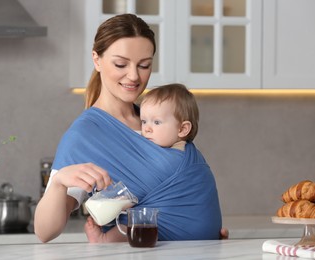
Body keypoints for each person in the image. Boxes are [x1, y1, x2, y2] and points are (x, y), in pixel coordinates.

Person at [34, 13, 227, 244]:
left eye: (144, 65)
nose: (134, 76)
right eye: (121, 64)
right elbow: (45, 231)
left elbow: (184, 191)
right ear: (97, 60)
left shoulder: (157, 119)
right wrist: (58, 183)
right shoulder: (85, 136)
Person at [84, 83, 209, 242]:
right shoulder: (192, 154)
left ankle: (103, 240)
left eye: (156, 122)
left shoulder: (167, 161)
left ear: (183, 129)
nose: (147, 129)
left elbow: (126, 195)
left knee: (135, 221)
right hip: (206, 237)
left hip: (182, 237)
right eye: (144, 122)